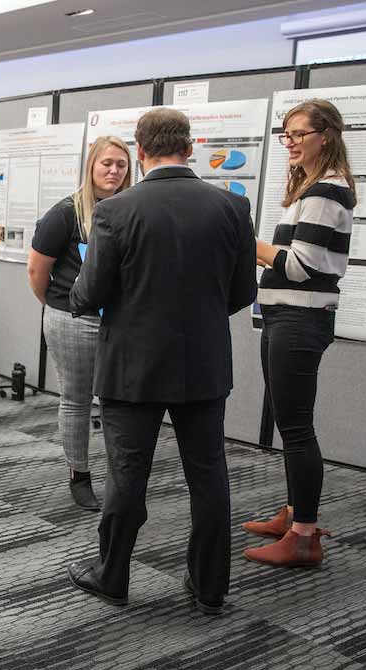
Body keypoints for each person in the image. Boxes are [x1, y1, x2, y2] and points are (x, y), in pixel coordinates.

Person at [65, 108, 257, 615]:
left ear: (141, 151)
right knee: (209, 475)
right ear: (190, 147)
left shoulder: (116, 211)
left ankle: (113, 575)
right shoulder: (232, 209)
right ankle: (210, 586)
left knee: (127, 475)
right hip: (204, 363)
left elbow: (89, 292)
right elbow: (242, 291)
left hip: (133, 366)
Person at [243, 100, 355, 568]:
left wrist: (242, 241)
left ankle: (304, 537)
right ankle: (294, 513)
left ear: (325, 136)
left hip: (300, 321)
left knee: (295, 427)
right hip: (286, 318)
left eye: (297, 134)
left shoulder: (328, 191)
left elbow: (298, 265)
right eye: (284, 134)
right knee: (292, 424)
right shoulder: (312, 189)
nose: (289, 142)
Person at [28, 136, 132, 508]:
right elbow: (37, 270)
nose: (114, 171)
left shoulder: (130, 208)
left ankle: (120, 478)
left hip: (119, 322)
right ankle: (79, 475)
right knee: (77, 399)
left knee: (118, 401)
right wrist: (59, 305)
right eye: (106, 163)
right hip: (73, 319)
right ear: (91, 166)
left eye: (121, 164)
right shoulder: (66, 213)